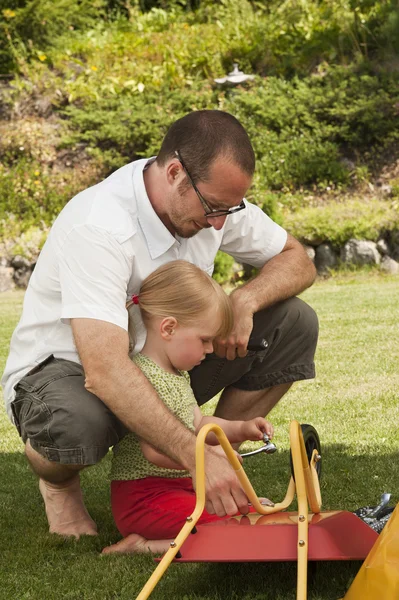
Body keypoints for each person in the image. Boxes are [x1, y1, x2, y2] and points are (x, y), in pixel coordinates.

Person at [1, 109, 318, 539]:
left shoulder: (213, 200)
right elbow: (106, 369)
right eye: (212, 208)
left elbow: (298, 260)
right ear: (174, 173)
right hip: (72, 372)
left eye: (230, 209)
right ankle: (58, 481)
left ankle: (211, 474)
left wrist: (246, 298)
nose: (220, 223)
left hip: (165, 362)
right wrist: (192, 453)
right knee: (77, 425)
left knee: (293, 321)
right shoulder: (99, 225)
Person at [103, 260, 275, 555]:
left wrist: (241, 429)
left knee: (245, 516)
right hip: (144, 498)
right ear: (168, 328)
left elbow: (200, 422)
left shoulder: (178, 374)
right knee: (229, 528)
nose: (210, 350)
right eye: (205, 340)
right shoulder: (142, 378)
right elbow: (155, 450)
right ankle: (142, 546)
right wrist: (208, 456)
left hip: (181, 488)